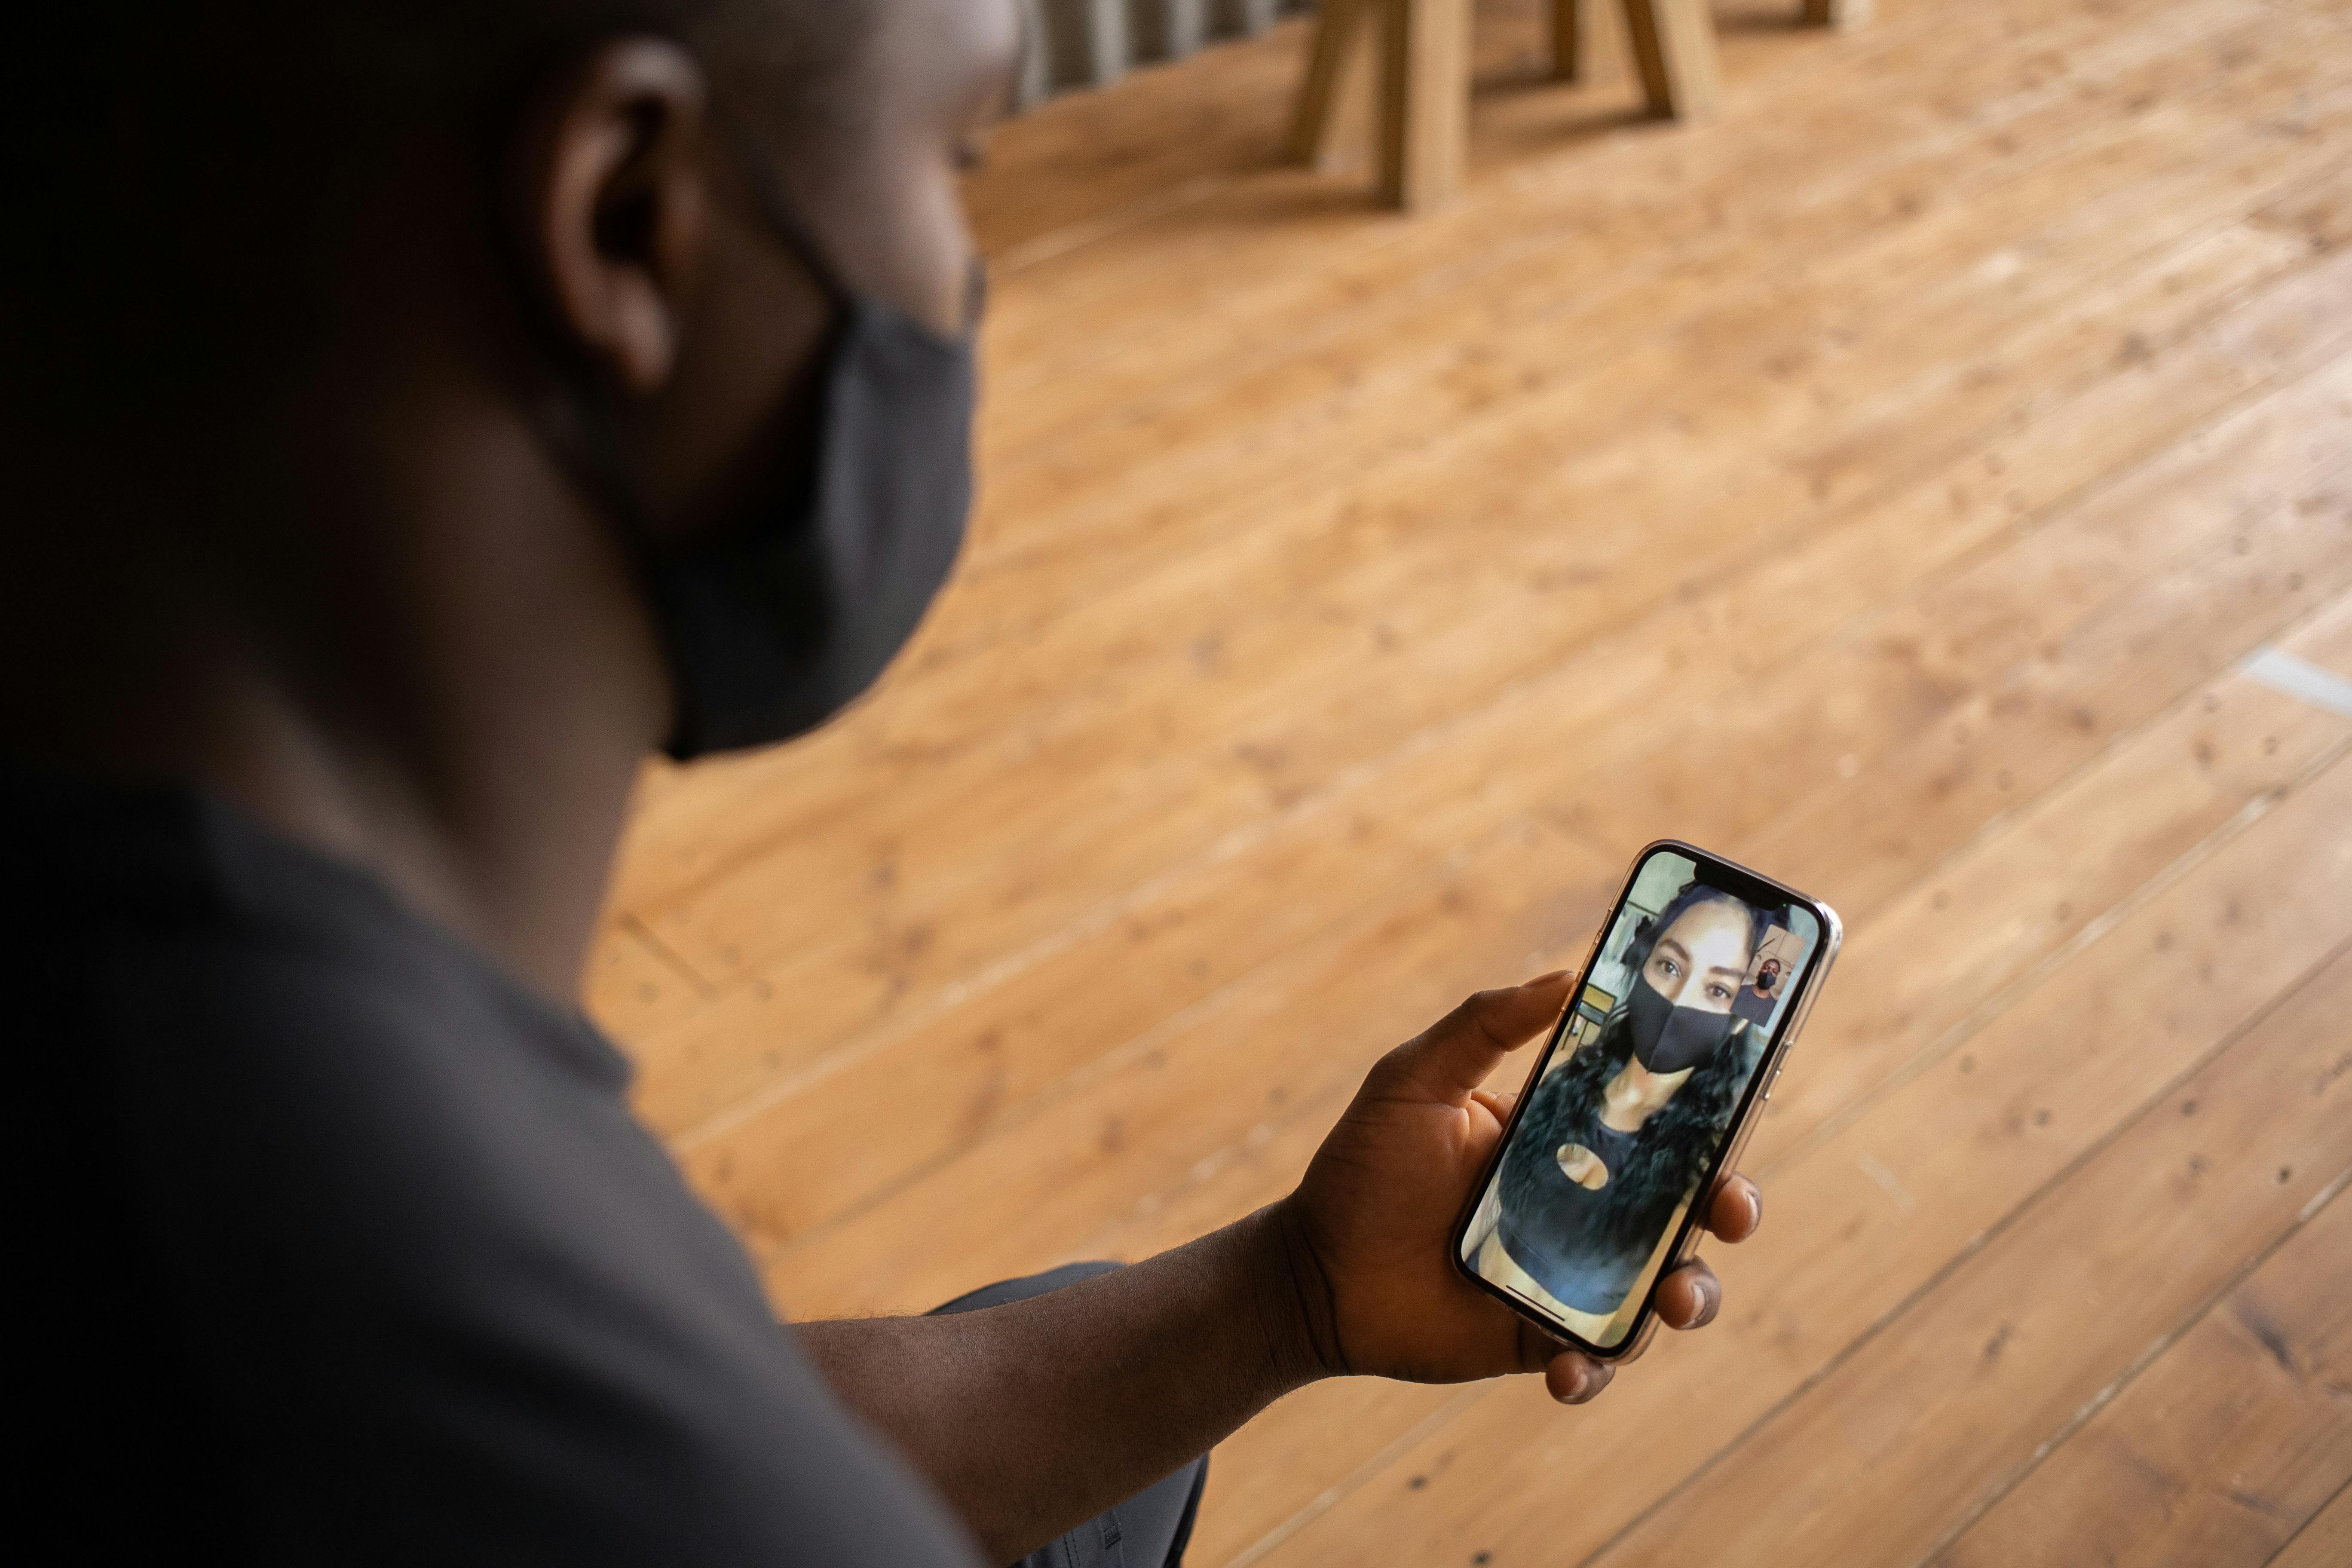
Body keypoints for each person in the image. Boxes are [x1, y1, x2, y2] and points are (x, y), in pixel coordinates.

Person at [3, 3, 1765, 1564]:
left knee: (1083, 1350)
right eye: (961, 150)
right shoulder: (392, 1337)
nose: (969, 282)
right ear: (627, 218)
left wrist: (1290, 1292)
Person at [1475, 885, 1775, 1341]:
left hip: (1556, 1348)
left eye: (1717, 989)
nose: (1678, 1000)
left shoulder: (1702, 1163)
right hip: (1473, 1275)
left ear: (1737, 1020)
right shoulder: (1564, 1080)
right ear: (1642, 964)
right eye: (1670, 966)